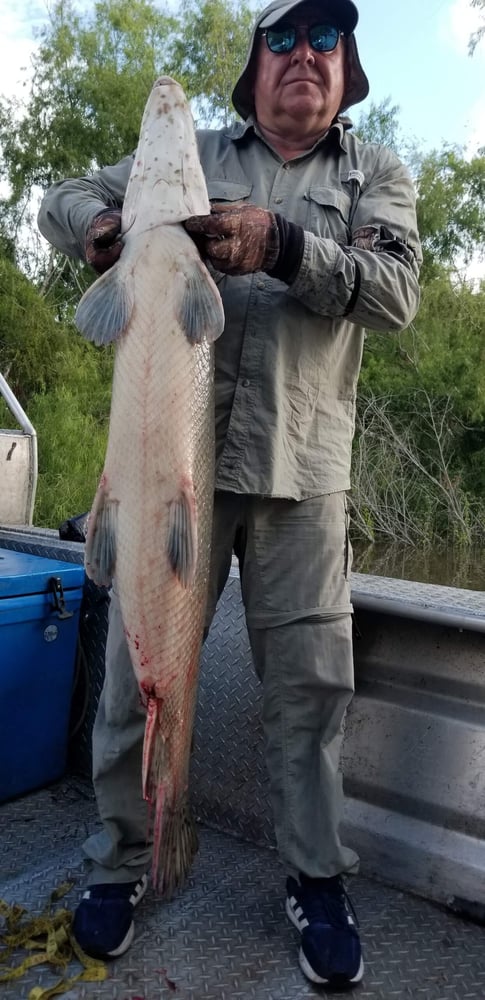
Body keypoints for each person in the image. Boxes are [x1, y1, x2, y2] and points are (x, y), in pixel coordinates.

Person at [38, 0, 421, 987]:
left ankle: (313, 877)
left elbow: (394, 293)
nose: (306, 55)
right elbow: (63, 197)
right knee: (132, 677)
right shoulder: (191, 155)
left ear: (346, 65)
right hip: (171, 470)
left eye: (325, 38)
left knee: (307, 696)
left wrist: (284, 247)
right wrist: (100, 226)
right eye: (284, 38)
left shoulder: (373, 173)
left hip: (305, 477)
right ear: (253, 66)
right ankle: (122, 857)